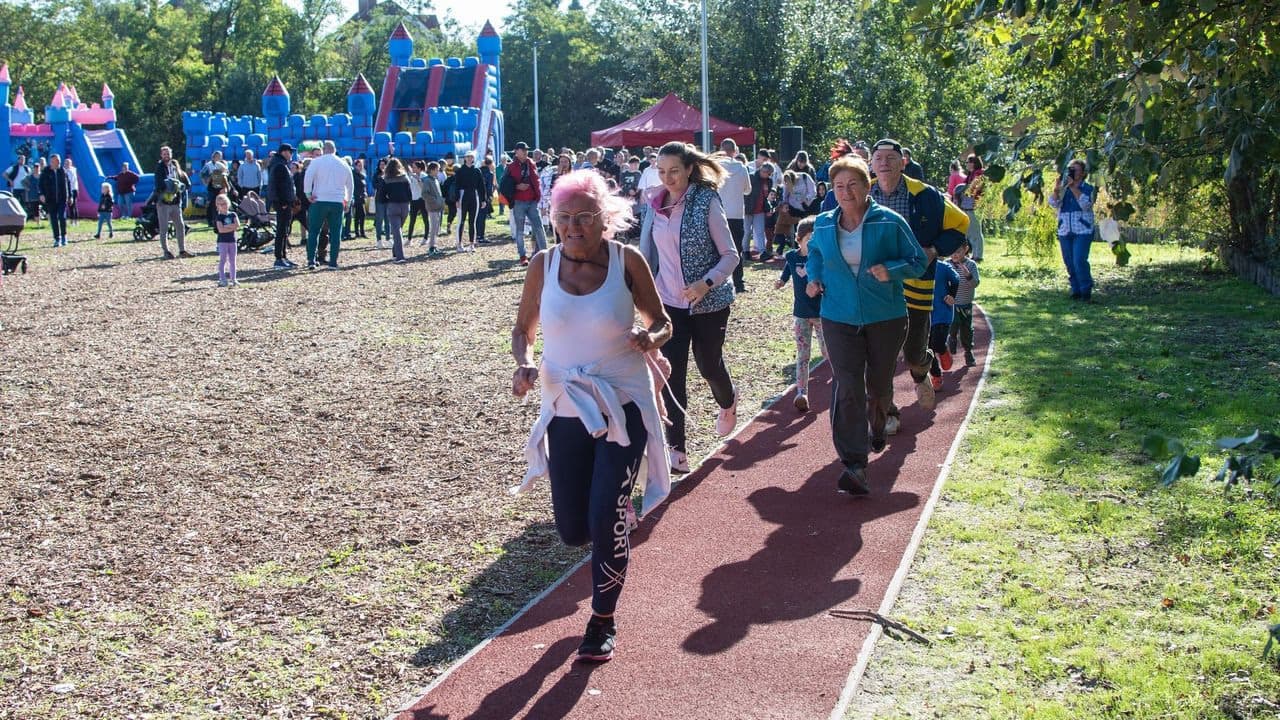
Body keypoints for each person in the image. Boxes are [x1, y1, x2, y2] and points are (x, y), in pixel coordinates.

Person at [512, 169, 673, 663]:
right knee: (572, 529)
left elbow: (661, 320)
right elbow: (523, 329)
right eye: (564, 217)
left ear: (606, 219)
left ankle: (602, 619)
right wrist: (522, 364)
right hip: (566, 406)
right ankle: (612, 514)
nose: (573, 226)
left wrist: (652, 339)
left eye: (584, 217)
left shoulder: (629, 261)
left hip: (622, 402)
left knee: (604, 518)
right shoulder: (542, 264)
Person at [803, 156, 926, 494]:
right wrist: (814, 278)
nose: (845, 191)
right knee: (847, 384)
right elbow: (814, 253)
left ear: (866, 186)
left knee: (880, 384)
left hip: (885, 316)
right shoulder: (826, 223)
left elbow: (918, 260)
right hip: (838, 315)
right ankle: (855, 463)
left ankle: (877, 423)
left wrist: (893, 270)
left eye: (852, 184)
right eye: (839, 186)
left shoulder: (890, 221)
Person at [637, 142, 740, 474]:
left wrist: (704, 283)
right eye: (662, 171)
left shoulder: (706, 201)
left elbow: (731, 256)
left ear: (689, 169)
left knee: (709, 367)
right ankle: (676, 449)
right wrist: (641, 293)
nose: (668, 178)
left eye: (674, 171)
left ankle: (728, 402)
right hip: (669, 305)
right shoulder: (654, 204)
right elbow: (645, 256)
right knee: (672, 376)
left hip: (710, 303)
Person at [867, 138, 968, 420]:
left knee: (912, 352)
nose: (884, 163)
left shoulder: (926, 195)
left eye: (891, 157)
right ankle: (889, 413)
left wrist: (935, 249)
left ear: (903, 162)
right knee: (879, 355)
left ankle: (923, 367)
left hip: (917, 280)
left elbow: (960, 225)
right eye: (879, 158)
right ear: (871, 164)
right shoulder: (862, 192)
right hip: (874, 284)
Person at [774, 216, 827, 412]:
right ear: (799, 240)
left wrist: (820, 288)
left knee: (827, 352)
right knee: (803, 356)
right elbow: (788, 269)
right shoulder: (792, 257)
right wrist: (782, 281)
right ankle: (801, 393)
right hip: (801, 314)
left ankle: (845, 385)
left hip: (822, 315)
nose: (812, 244)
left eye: (816, 240)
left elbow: (828, 281)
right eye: (808, 240)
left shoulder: (821, 260)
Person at [1049, 158, 1096, 301]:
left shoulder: (1088, 188)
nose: (1072, 172)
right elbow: (1053, 204)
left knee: (1079, 260)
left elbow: (1086, 204)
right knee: (1069, 261)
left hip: (1082, 230)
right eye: (1070, 169)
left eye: (1075, 170)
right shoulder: (1064, 188)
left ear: (1083, 173)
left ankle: (1085, 290)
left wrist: (1074, 187)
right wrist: (1057, 191)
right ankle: (1075, 290)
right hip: (1065, 229)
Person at [303, 140, 354, 269]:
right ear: (335, 150)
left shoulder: (316, 162)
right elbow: (350, 184)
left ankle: (311, 260)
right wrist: (347, 200)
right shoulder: (343, 164)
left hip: (319, 200)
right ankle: (333, 262)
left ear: (323, 150)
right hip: (337, 201)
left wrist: (308, 195)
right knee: (336, 233)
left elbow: (308, 178)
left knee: (314, 231)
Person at [717, 139, 751, 293]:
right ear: (735, 150)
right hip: (737, 214)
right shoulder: (742, 168)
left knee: (717, 249)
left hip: (719, 213)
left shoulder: (716, 167)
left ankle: (718, 281)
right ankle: (739, 283)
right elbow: (747, 190)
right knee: (737, 249)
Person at [508, 142, 548, 265]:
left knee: (539, 227)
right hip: (518, 201)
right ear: (516, 151)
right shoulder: (510, 166)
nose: (526, 152)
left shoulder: (531, 163)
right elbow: (504, 184)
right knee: (520, 231)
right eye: (522, 150)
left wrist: (538, 197)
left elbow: (536, 180)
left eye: (526, 149)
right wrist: (516, 186)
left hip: (532, 201)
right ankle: (522, 256)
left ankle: (545, 253)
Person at [927, 255, 960, 391]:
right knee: (927, 349)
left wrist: (952, 295)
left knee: (936, 344)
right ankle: (936, 377)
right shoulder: (916, 266)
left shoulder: (942, 266)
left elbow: (956, 279)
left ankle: (943, 349)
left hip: (943, 311)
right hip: (925, 313)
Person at [946, 243, 980, 366]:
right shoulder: (947, 264)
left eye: (958, 252)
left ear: (965, 250)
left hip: (966, 304)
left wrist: (968, 275)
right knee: (953, 325)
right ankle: (952, 337)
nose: (955, 254)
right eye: (952, 251)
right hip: (952, 304)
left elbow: (975, 284)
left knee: (966, 329)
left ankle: (968, 352)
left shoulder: (971, 265)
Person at [377, 158, 412, 263]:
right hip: (405, 206)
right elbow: (410, 194)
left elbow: (381, 197)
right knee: (399, 230)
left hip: (393, 206)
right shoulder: (405, 178)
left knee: (397, 232)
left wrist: (388, 200)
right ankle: (395, 252)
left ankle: (400, 256)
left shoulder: (386, 179)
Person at [267, 143, 296, 270]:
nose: (291, 155)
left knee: (284, 230)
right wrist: (283, 202)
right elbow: (279, 186)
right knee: (281, 230)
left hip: (284, 202)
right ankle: (279, 257)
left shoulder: (279, 164)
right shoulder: (280, 165)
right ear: (284, 152)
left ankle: (283, 256)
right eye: (290, 152)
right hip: (282, 203)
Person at [453, 151, 485, 252]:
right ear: (465, 158)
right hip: (463, 195)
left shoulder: (477, 170)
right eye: (468, 156)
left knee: (472, 221)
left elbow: (481, 186)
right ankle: (459, 244)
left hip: (474, 195)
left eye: (471, 157)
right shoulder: (460, 171)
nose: (470, 158)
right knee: (461, 220)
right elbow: (456, 185)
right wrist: (457, 199)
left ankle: (472, 244)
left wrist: (483, 199)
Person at [38, 154, 73, 247]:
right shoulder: (45, 172)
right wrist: (41, 194)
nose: (57, 163)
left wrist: (70, 196)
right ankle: (57, 238)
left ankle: (64, 236)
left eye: (58, 161)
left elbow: (68, 184)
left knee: (62, 217)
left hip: (62, 199)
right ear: (51, 162)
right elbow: (40, 184)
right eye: (55, 161)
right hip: (50, 199)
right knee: (53, 219)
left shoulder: (62, 171)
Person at [744, 162, 774, 260]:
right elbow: (745, 193)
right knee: (747, 232)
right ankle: (745, 252)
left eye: (768, 173)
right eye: (764, 171)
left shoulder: (769, 181)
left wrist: (767, 207)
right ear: (761, 169)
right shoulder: (751, 177)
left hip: (760, 210)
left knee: (760, 232)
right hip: (748, 209)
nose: (765, 174)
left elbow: (765, 197)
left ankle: (763, 252)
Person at [962, 154, 986, 261]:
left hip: (974, 206)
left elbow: (974, 189)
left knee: (975, 233)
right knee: (969, 232)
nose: (966, 164)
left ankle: (978, 256)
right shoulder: (971, 174)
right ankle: (972, 254)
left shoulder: (979, 174)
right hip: (967, 206)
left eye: (968, 162)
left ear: (973, 163)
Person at [213, 193, 240, 287]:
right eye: (220, 204)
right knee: (223, 260)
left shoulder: (233, 214)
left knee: (233, 260)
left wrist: (227, 227)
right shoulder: (219, 217)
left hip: (232, 240)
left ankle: (234, 279)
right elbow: (221, 229)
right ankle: (222, 279)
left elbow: (237, 225)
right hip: (222, 241)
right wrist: (231, 227)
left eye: (224, 203)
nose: (223, 206)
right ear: (217, 206)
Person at [200, 150, 231, 227]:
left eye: (219, 156)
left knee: (220, 203)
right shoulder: (208, 165)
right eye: (217, 156)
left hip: (220, 186)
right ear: (213, 157)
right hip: (212, 186)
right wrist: (206, 181)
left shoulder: (221, 165)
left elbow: (226, 174)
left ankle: (220, 219)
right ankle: (211, 220)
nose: (218, 158)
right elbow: (202, 174)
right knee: (212, 204)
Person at [421, 161, 445, 255]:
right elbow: (424, 194)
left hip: (438, 206)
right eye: (437, 169)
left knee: (436, 228)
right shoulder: (427, 180)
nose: (438, 171)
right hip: (432, 207)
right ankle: (431, 247)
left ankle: (434, 245)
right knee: (434, 227)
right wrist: (434, 200)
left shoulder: (435, 179)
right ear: (432, 170)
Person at [405, 159, 426, 245]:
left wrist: (418, 179)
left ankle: (425, 238)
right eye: (412, 167)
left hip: (422, 199)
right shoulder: (411, 176)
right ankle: (409, 239)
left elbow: (424, 188)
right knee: (412, 220)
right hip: (413, 200)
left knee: (425, 219)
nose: (413, 169)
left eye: (415, 167)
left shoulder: (424, 176)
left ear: (419, 168)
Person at [348, 158, 367, 239]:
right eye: (359, 166)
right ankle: (358, 232)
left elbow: (363, 186)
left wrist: (365, 192)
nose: (360, 167)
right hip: (356, 197)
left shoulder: (362, 175)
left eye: (361, 166)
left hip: (361, 197)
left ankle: (361, 231)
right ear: (355, 166)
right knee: (359, 215)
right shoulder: (354, 175)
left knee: (361, 215)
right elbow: (354, 187)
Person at [477, 156, 496, 241]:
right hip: (485, 197)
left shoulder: (477, 171)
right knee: (482, 217)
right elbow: (489, 188)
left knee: (477, 217)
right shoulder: (490, 174)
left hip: (476, 196)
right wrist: (489, 197)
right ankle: (481, 236)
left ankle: (476, 235)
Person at [372, 158, 389, 248]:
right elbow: (375, 186)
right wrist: (382, 180)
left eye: (384, 164)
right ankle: (379, 240)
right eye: (381, 164)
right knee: (379, 220)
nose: (382, 166)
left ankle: (388, 238)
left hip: (388, 200)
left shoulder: (389, 175)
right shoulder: (376, 175)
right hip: (379, 200)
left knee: (388, 220)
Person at [63, 158, 79, 224]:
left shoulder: (72, 170)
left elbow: (70, 181)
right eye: (65, 163)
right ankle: (71, 220)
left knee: (73, 205)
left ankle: (75, 220)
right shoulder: (64, 170)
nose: (66, 165)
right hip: (67, 189)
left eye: (68, 163)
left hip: (73, 189)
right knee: (70, 206)